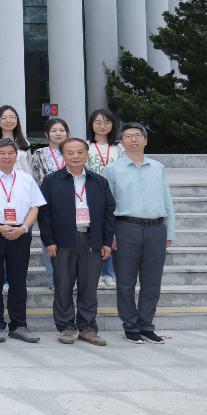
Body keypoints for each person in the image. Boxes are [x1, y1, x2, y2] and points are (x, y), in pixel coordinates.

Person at [104, 122, 176, 344]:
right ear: (121, 142)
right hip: (126, 228)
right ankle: (130, 326)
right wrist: (111, 235)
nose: (133, 139)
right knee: (125, 281)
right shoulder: (112, 169)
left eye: (137, 135)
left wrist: (169, 231)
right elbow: (107, 206)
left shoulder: (157, 167)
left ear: (145, 140)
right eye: (128, 136)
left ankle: (146, 325)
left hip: (156, 229)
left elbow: (167, 200)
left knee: (152, 281)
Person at [40, 137, 114, 346]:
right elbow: (44, 214)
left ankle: (88, 328)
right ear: (63, 155)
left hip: (92, 238)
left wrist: (107, 241)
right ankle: (66, 327)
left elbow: (109, 213)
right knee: (63, 286)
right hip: (63, 239)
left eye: (80, 152)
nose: (75, 156)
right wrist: (49, 241)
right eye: (70, 152)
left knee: (89, 287)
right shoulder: (51, 181)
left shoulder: (99, 181)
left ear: (86, 154)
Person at [0, 137, 46, 343]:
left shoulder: (26, 179)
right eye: (2, 153)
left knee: (18, 280)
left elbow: (34, 207)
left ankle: (19, 325)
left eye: (10, 153)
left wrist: (23, 229)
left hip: (20, 232)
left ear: (17, 155)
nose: (6, 157)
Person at [31, 117, 71, 291]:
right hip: (49, 203)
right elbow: (37, 179)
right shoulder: (39, 154)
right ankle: (53, 279)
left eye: (62, 130)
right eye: (54, 130)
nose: (58, 133)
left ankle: (72, 278)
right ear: (47, 134)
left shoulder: (74, 150)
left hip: (74, 203)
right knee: (49, 241)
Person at [86, 108, 123, 289]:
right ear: (91, 125)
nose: (102, 126)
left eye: (107, 122)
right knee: (94, 235)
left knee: (111, 234)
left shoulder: (119, 148)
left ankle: (109, 274)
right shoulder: (86, 146)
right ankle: (97, 273)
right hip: (90, 196)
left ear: (113, 125)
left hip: (114, 196)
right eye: (98, 122)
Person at [0, 105, 34, 176]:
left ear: (17, 120)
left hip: (23, 181)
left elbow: (29, 165)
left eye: (12, 117)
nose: (8, 121)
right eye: (4, 118)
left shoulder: (24, 142)